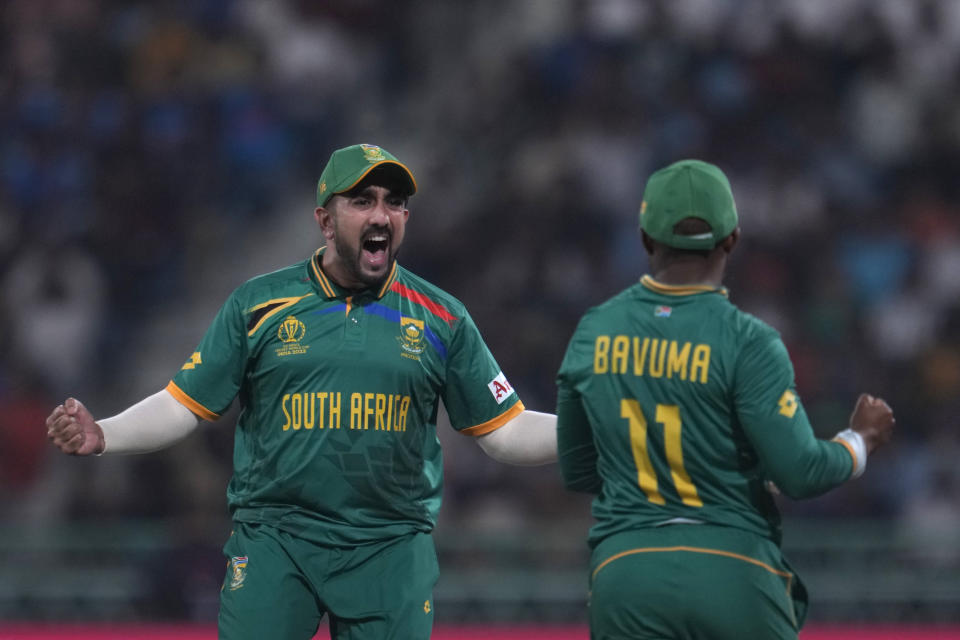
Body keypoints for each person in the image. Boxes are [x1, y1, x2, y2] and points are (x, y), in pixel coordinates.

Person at [46, 143, 558, 639]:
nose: (382, 215)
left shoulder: (442, 317)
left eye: (394, 202)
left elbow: (505, 430)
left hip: (390, 544)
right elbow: (182, 404)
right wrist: (104, 433)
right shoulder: (259, 304)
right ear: (325, 221)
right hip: (277, 538)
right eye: (362, 201)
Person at [555, 159, 895, 640]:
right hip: (732, 569)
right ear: (732, 238)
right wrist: (858, 442)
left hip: (627, 572)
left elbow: (578, 469)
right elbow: (800, 472)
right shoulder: (749, 341)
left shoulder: (594, 331)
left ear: (646, 239)